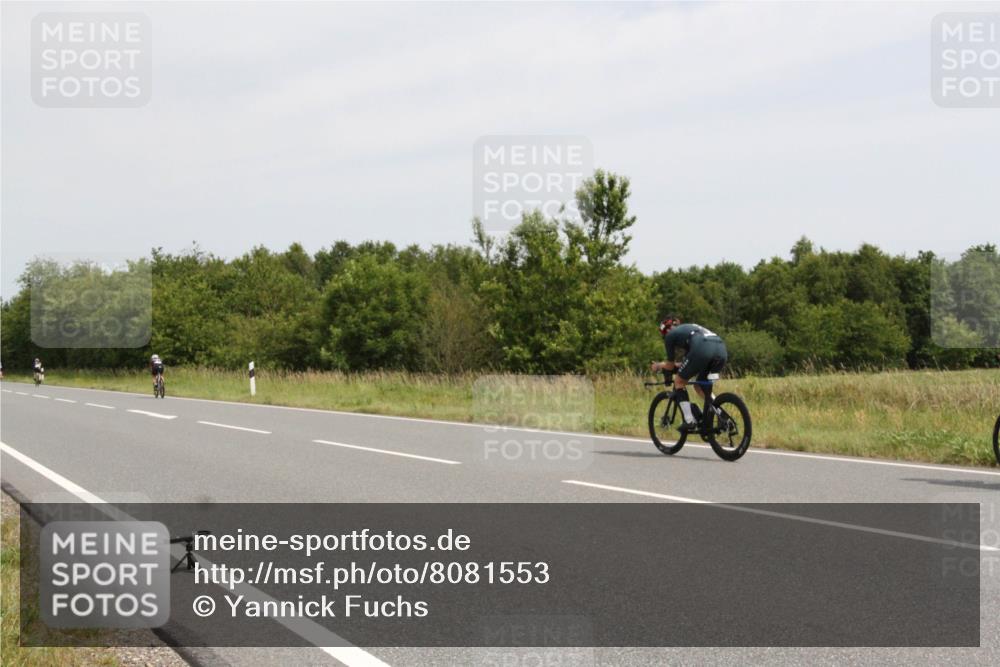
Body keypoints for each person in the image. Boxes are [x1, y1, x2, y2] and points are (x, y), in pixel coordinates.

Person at [650, 316, 728, 431]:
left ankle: (689, 421)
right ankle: (723, 416)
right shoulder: (688, 330)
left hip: (703, 348)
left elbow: (670, 366)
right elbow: (688, 362)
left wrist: (658, 366)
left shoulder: (670, 336)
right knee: (700, 386)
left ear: (665, 331)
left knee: (679, 382)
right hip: (721, 349)